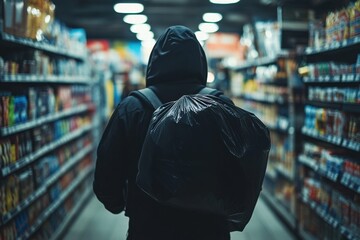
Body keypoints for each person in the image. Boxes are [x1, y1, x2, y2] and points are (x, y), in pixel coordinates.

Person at [93, 25, 232, 240]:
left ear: (154, 63)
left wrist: (120, 204)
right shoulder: (221, 105)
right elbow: (241, 167)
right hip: (209, 229)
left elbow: (106, 174)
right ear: (200, 62)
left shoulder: (132, 108)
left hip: (149, 228)